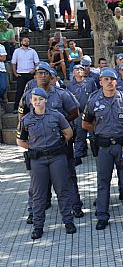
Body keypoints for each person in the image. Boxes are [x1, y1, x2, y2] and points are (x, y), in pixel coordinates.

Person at [17, 88, 76, 240]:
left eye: (40, 99)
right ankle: (38, 226)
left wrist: (58, 145)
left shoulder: (57, 116)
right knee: (38, 195)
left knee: (62, 190)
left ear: (46, 100)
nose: (38, 102)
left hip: (57, 158)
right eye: (35, 99)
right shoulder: (26, 120)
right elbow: (20, 141)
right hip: (38, 161)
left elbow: (68, 133)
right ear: (31, 101)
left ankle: (68, 221)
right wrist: (35, 149)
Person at [82, 68, 123, 229]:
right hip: (104, 147)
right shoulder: (94, 99)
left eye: (112, 79)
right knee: (103, 182)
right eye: (105, 79)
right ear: (100, 82)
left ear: (116, 81)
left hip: (122, 146)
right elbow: (86, 123)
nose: (109, 82)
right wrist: (100, 131)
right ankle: (102, 215)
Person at [66, 64, 97, 164]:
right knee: (80, 135)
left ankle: (96, 154)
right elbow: (68, 101)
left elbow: (95, 95)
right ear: (73, 72)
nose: (79, 71)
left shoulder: (90, 82)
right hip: (78, 114)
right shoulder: (70, 85)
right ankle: (78, 155)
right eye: (76, 69)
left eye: (81, 69)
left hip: (90, 113)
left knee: (94, 134)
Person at [11, 36, 39, 113]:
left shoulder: (33, 51)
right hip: (21, 74)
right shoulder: (17, 51)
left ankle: (33, 108)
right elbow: (13, 63)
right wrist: (15, 73)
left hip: (30, 74)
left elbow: (37, 63)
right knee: (19, 91)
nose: (27, 42)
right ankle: (16, 108)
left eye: (28, 41)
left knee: (32, 91)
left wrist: (34, 70)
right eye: (25, 41)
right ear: (21, 42)